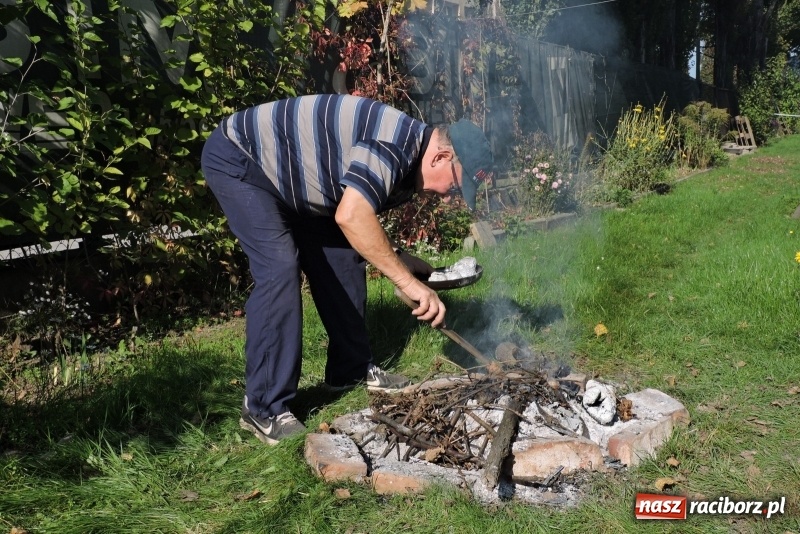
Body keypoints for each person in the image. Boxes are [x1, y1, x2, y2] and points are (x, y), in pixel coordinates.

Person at [201, 94, 493, 444]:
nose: (449, 197)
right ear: (442, 157)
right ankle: (262, 407)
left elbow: (355, 223)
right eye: (456, 186)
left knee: (342, 257)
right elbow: (352, 215)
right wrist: (409, 284)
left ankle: (350, 370)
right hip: (243, 158)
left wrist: (404, 266)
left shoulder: (409, 161)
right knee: (279, 268)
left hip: (296, 180)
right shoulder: (394, 147)